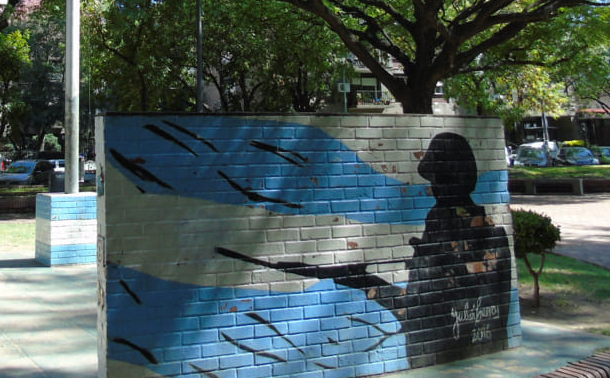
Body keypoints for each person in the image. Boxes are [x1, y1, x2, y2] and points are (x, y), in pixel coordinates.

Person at [218, 132, 512, 368]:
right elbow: (424, 304)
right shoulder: (473, 232)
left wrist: (373, 283)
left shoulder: (470, 237)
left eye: (439, 180)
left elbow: (425, 309)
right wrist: (364, 279)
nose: (433, 188)